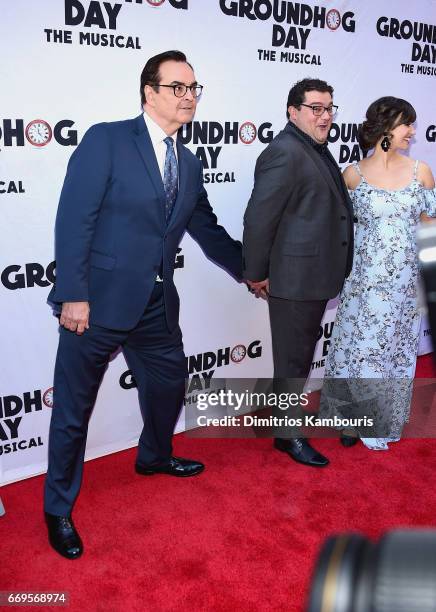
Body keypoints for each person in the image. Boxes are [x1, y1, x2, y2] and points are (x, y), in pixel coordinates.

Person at [44, 50, 243, 559]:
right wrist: (74, 294)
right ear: (148, 91)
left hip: (156, 303)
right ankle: (58, 507)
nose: (189, 97)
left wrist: (252, 271)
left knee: (168, 381)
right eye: (178, 87)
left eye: (195, 88)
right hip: (97, 304)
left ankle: (154, 455)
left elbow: (207, 229)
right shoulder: (107, 139)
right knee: (73, 410)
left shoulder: (191, 162)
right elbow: (75, 221)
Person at [243, 78, 354, 467]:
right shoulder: (286, 152)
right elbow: (258, 219)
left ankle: (286, 429)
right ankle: (287, 436)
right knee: (292, 363)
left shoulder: (313, 148)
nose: (325, 117)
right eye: (316, 109)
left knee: (299, 359)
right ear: (293, 112)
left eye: (329, 108)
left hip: (311, 276)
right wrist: (256, 273)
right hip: (294, 279)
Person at [321, 96, 436, 450]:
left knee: (396, 349)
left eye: (414, 124)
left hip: (405, 281)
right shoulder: (352, 175)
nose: (413, 131)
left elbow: (429, 231)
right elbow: (340, 231)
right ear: (386, 127)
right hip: (363, 279)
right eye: (407, 124)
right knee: (359, 347)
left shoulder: (422, 172)